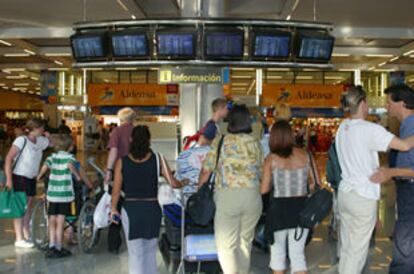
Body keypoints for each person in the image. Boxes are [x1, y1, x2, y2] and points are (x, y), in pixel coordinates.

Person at [335, 86, 414, 274]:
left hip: (345, 194)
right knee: (357, 253)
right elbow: (403, 146)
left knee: (347, 249)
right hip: (363, 197)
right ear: (363, 104)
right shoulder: (370, 129)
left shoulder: (342, 128)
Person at [110, 125, 185, 274]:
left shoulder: (122, 162)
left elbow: (116, 191)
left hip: (130, 210)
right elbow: (173, 183)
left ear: (131, 140)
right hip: (151, 209)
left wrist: (113, 209)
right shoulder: (158, 159)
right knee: (150, 251)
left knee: (135, 253)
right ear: (149, 141)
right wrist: (185, 182)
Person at [198, 105, 263, 274]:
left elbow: (207, 170)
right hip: (253, 197)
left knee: (226, 247)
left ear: (230, 121)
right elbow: (261, 170)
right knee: (244, 244)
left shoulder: (221, 140)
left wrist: (199, 191)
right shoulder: (255, 142)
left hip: (228, 197)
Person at [261, 120, 319, 274]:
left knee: (277, 255)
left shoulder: (271, 159)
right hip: (301, 210)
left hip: (278, 210)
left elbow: (264, 188)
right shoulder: (306, 156)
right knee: (297, 255)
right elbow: (315, 184)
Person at [370, 84, 414, 274]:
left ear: (402, 103)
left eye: (389, 102)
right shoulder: (405, 126)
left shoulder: (411, 126)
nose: (387, 106)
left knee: (405, 246)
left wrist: (391, 173)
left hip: (411, 193)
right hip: (407, 192)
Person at [4, 118, 51, 248]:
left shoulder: (41, 141)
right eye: (41, 128)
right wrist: (8, 180)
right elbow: (8, 159)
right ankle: (19, 239)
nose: (43, 130)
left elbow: (52, 144)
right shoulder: (21, 140)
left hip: (31, 178)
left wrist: (49, 137)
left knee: (28, 207)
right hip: (20, 177)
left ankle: (26, 234)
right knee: (20, 207)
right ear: (34, 129)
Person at [37, 134, 82, 258]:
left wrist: (40, 175)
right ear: (70, 147)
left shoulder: (52, 156)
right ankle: (58, 246)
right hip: (64, 194)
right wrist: (77, 176)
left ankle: (52, 245)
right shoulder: (70, 157)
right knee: (61, 220)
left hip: (52, 194)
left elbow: (45, 166)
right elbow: (70, 166)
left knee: (52, 219)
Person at [104, 107, 136, 254]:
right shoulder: (138, 131)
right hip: (136, 172)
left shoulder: (117, 131)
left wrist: (109, 170)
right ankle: (134, 242)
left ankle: (114, 244)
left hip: (120, 172)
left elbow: (114, 151)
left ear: (121, 118)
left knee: (115, 205)